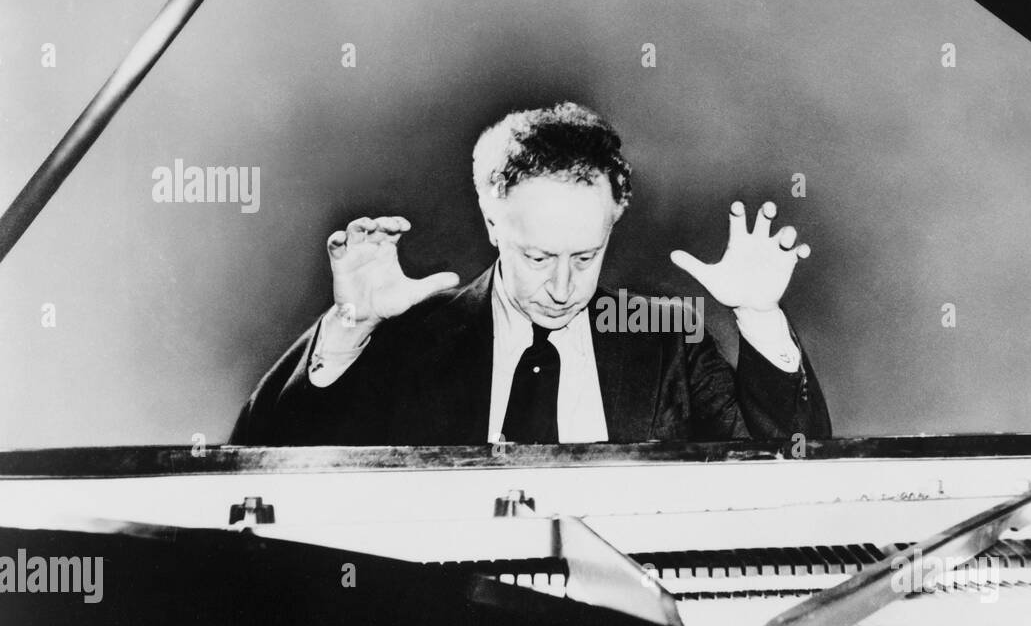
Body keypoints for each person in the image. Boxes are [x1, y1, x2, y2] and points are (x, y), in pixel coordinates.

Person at [230, 102, 831, 445]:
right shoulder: (412, 337)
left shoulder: (666, 336)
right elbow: (257, 461)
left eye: (585, 257)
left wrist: (759, 317)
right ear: (493, 223)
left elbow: (793, 465)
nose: (564, 288)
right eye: (538, 258)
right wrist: (348, 328)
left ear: (614, 224)